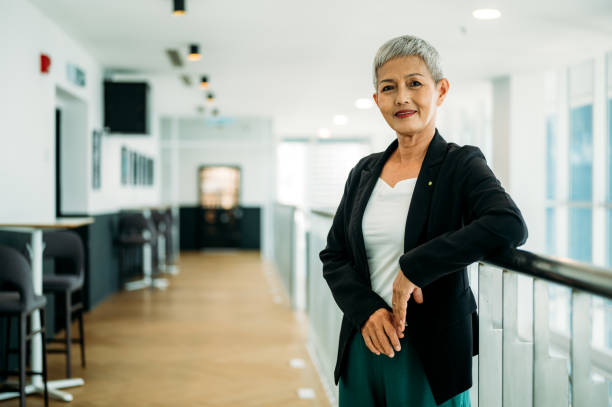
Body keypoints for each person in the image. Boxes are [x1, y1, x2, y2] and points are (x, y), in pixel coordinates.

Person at [319, 35, 528, 407]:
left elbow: (508, 223)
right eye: (389, 87)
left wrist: (414, 268)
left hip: (429, 353)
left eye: (414, 83)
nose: (402, 97)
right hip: (364, 341)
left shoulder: (460, 164)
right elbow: (334, 256)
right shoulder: (364, 171)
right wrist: (366, 311)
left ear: (440, 90)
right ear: (377, 100)